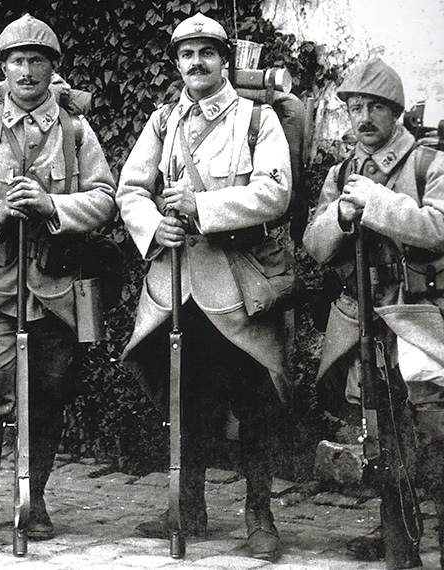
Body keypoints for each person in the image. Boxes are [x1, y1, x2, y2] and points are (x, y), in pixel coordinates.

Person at [0, 14, 116, 555]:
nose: (27, 70)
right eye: (17, 60)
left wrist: (52, 205)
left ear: (53, 69)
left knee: (50, 392)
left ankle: (32, 499)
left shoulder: (77, 131)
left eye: (38, 60)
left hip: (57, 285)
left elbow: (104, 197)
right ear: (3, 69)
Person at [116, 12, 293, 562]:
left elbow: (275, 192)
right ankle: (187, 505)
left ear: (224, 61)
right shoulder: (164, 120)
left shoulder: (256, 120)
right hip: (176, 284)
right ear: (177, 63)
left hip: (238, 284)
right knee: (181, 393)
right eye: (187, 54)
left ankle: (258, 513)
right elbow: (129, 188)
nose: (197, 63)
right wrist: (154, 225)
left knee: (255, 397)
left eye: (207, 53)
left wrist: (204, 208)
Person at [303, 58, 444, 570]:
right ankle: (399, 541)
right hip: (366, 319)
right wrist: (340, 214)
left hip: (422, 314)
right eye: (355, 107)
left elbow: (441, 226)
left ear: (395, 112)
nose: (363, 117)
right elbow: (314, 245)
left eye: (374, 106)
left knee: (442, 426)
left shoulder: (430, 164)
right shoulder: (341, 173)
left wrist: (377, 202)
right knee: (382, 430)